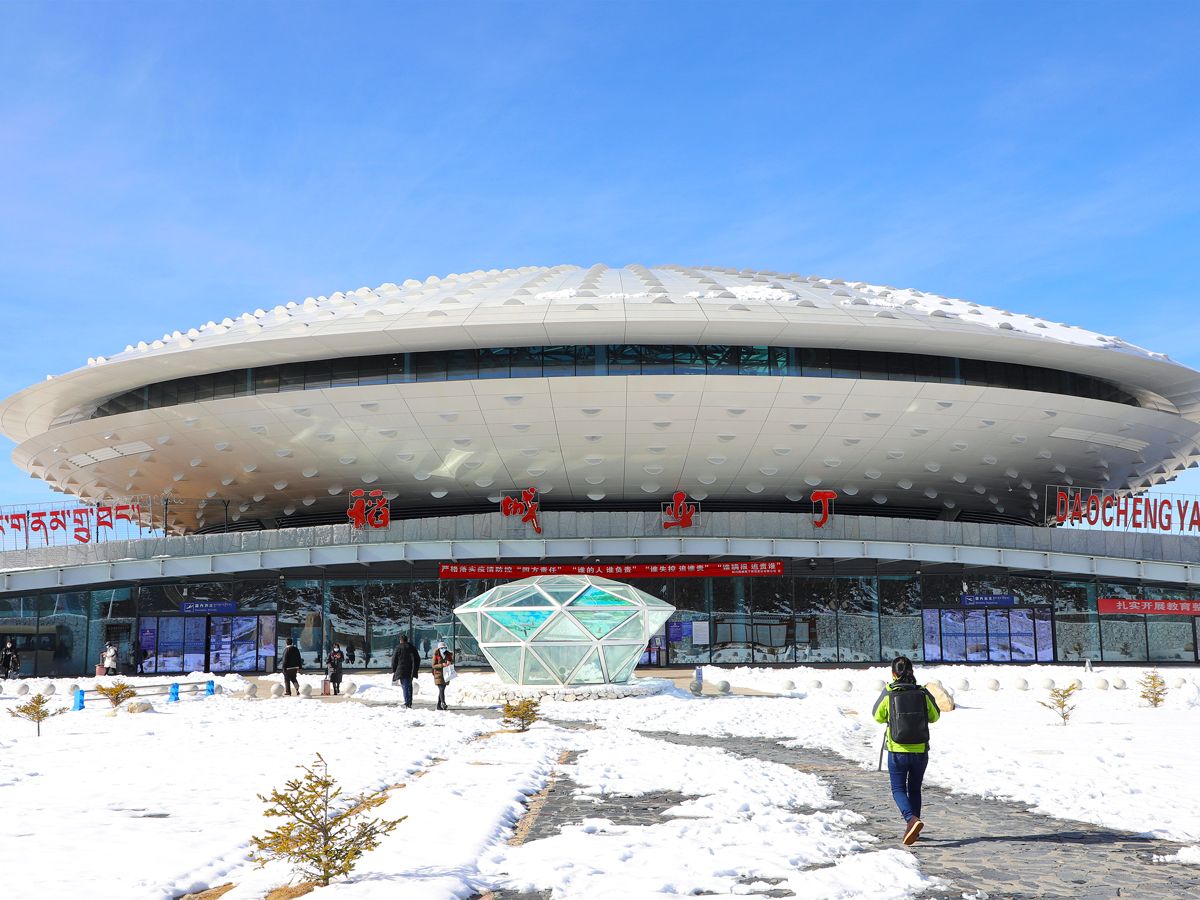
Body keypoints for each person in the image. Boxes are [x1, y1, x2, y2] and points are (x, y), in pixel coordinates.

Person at [873, 655, 941, 846]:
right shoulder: (922, 692)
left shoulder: (889, 692)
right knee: (914, 789)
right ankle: (914, 829)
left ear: (893, 673)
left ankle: (911, 820)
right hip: (920, 750)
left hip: (897, 750)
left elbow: (877, 716)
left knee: (898, 789)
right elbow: (935, 716)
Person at [390, 635, 421, 708]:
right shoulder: (412, 648)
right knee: (409, 686)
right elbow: (418, 659)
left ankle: (407, 702)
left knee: (405, 686)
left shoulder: (398, 648)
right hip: (410, 670)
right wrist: (415, 669)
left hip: (401, 670)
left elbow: (394, 660)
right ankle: (409, 701)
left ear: (401, 640)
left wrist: (394, 670)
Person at [430, 641, 454, 711]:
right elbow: (433, 665)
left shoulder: (448, 654)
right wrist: (441, 665)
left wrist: (450, 662)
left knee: (442, 690)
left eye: (444, 648)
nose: (443, 649)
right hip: (438, 674)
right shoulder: (436, 655)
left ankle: (438, 705)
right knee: (441, 689)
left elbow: (451, 661)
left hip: (446, 674)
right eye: (441, 648)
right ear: (439, 648)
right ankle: (443, 703)